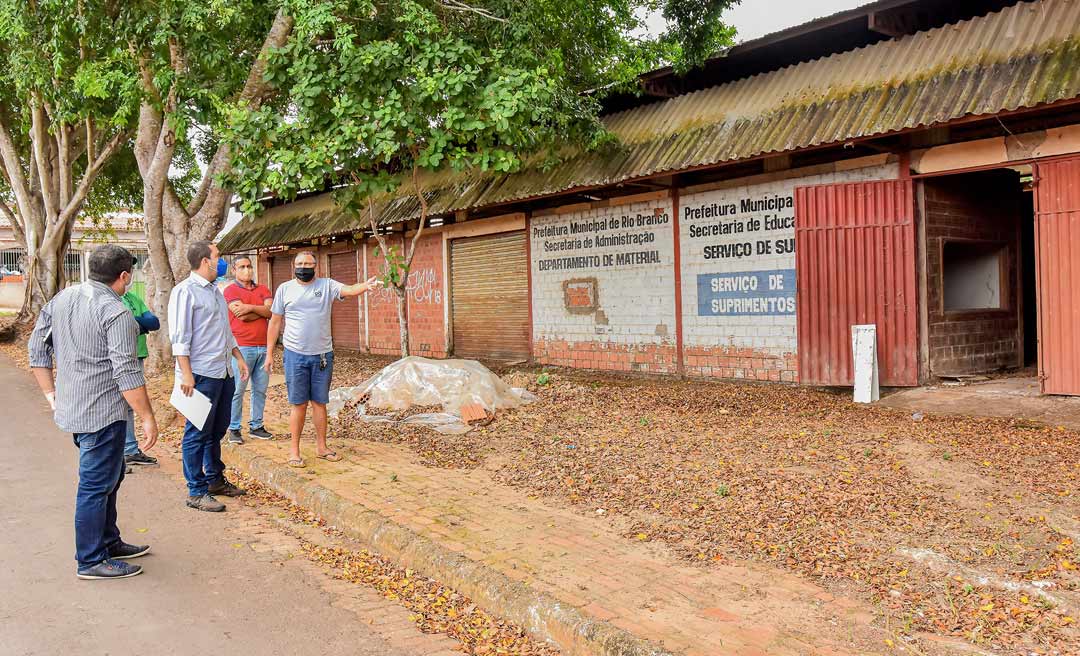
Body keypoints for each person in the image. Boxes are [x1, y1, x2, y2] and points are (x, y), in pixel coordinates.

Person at [28, 244, 159, 580]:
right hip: (102, 413)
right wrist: (147, 417)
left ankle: (108, 541)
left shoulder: (63, 299)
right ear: (125, 276)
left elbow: (36, 349)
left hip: (76, 407)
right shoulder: (116, 312)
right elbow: (127, 371)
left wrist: (51, 395)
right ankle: (90, 559)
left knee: (110, 477)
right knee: (95, 485)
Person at [265, 251, 379, 467]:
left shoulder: (326, 285)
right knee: (298, 404)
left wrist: (365, 286)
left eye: (308, 263)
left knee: (319, 402)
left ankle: (321, 447)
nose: (304, 266)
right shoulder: (284, 289)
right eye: (300, 263)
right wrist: (269, 353)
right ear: (293, 266)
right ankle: (294, 451)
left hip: (322, 356)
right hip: (295, 355)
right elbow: (274, 322)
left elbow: (348, 289)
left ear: (315, 266)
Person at [168, 241, 250, 512]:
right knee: (196, 433)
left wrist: (238, 358)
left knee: (218, 429)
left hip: (222, 371)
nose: (221, 261)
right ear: (205, 261)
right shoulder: (185, 292)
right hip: (199, 375)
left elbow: (225, 331)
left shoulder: (215, 291)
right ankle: (196, 491)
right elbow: (179, 338)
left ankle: (215, 479)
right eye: (218, 256)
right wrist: (187, 375)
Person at [222, 255, 274, 444]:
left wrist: (250, 308)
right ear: (234, 271)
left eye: (249, 266)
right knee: (237, 390)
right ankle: (234, 428)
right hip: (241, 348)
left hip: (263, 347)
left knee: (260, 390)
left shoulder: (263, 289)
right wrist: (261, 311)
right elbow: (240, 315)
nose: (247, 270)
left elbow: (272, 312)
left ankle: (256, 426)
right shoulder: (230, 290)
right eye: (242, 267)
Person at [121, 288, 160, 466]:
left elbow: (154, 322)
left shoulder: (133, 297)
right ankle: (118, 454)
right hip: (121, 357)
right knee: (119, 404)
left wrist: (133, 322)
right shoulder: (110, 298)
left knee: (130, 405)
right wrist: (140, 324)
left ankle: (129, 450)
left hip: (138, 354)